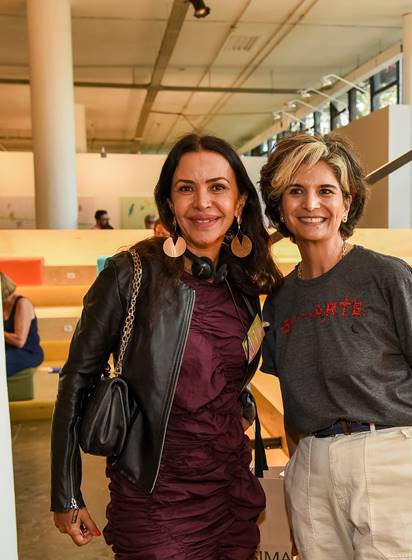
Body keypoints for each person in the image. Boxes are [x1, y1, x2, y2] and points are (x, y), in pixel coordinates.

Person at [51, 134, 283, 558]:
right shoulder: (129, 273)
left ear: (240, 203)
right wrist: (66, 492)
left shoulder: (244, 282)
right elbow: (76, 380)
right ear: (169, 202)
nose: (202, 202)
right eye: (186, 188)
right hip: (157, 498)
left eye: (217, 187)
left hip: (230, 488)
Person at [259, 133, 412, 560]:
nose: (311, 204)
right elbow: (296, 405)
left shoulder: (386, 276)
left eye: (326, 191)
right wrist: (302, 484)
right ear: (280, 206)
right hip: (313, 465)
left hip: (392, 455)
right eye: (297, 191)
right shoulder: (280, 300)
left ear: (346, 204)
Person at [2, 271, 44, 377]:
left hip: (27, 352)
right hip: (7, 349)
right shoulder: (2, 304)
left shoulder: (22, 304)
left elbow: (19, 340)